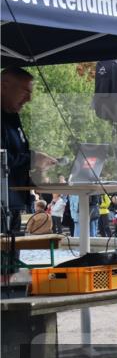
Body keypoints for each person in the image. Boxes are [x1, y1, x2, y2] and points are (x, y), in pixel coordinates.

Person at [0, 68, 56, 237]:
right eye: (25, 91)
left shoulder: (13, 116)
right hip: (3, 203)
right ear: (4, 86)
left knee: (12, 262)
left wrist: (37, 174)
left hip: (13, 204)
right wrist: (33, 159)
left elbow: (18, 155)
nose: (29, 99)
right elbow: (3, 158)